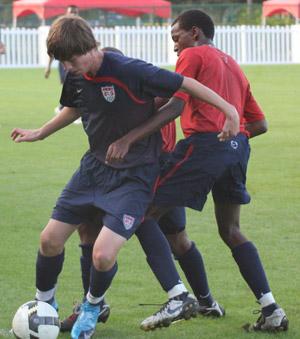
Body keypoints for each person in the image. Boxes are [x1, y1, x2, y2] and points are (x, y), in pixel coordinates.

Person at [11, 15, 239, 339]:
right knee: (49, 240)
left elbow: (185, 85)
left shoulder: (129, 70)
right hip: (93, 170)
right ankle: (43, 306)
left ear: (90, 47)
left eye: (71, 60)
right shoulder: (76, 75)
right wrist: (41, 132)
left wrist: (229, 110)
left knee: (103, 255)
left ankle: (92, 307)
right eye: (62, 62)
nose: (68, 67)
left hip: (135, 176)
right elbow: (73, 108)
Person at [104, 10, 288, 333]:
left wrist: (129, 136)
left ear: (195, 32)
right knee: (230, 231)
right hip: (238, 149)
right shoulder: (232, 64)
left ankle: (177, 297)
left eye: (177, 37)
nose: (175, 46)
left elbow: (176, 106)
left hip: (204, 145)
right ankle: (270, 308)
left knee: (142, 211)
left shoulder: (192, 55)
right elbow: (259, 124)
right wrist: (231, 141)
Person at [44, 5, 79, 114]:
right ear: (66, 13)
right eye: (71, 12)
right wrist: (48, 67)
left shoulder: (81, 28)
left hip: (78, 62)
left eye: (75, 12)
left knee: (77, 84)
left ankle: (66, 108)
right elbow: (52, 48)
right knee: (68, 84)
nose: (73, 14)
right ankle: (64, 108)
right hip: (65, 62)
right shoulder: (60, 28)